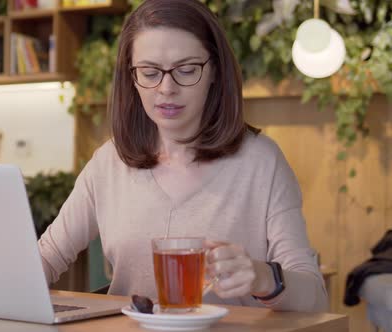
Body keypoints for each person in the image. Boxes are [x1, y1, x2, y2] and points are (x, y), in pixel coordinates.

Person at [38, 0, 328, 312]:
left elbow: (315, 298)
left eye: (186, 70)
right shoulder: (109, 163)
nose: (166, 88)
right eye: (149, 73)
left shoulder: (261, 162)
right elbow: (45, 258)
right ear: (131, 78)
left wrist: (263, 277)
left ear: (215, 70)